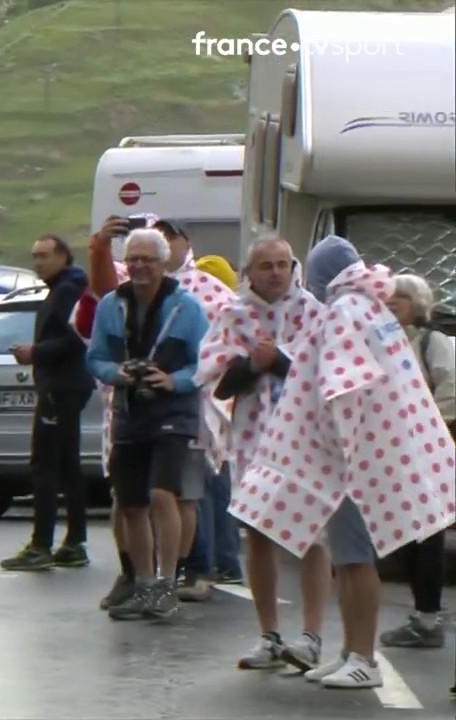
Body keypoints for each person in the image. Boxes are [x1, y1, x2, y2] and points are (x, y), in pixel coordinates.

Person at [236, 235, 454, 688]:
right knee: (349, 558)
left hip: (356, 458)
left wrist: (339, 448)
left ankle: (363, 658)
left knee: (355, 559)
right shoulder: (370, 308)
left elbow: (342, 384)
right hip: (377, 451)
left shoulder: (345, 312)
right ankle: (351, 650)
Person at [195, 237, 331, 672]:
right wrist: (250, 364)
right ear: (248, 272)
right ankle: (268, 635)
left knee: (313, 533)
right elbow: (215, 377)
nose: (275, 273)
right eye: (266, 266)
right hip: (255, 436)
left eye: (282, 265)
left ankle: (311, 636)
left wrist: (281, 360)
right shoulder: (232, 314)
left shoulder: (314, 311)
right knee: (258, 533)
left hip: (307, 437)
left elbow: (330, 369)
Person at [84, 229, 209, 621]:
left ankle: (167, 584)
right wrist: (116, 372)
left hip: (175, 412)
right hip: (130, 410)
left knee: (161, 495)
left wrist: (175, 380)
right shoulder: (111, 305)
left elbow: (207, 360)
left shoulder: (186, 307)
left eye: (148, 260)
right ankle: (141, 584)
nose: (139, 266)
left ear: (163, 262)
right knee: (132, 502)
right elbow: (95, 357)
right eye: (133, 259)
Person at [0, 235, 93, 571]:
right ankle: (75, 541)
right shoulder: (62, 288)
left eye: (45, 256)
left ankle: (41, 544)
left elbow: (75, 339)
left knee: (45, 463)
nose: (38, 262)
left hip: (63, 385)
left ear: (64, 257)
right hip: (61, 383)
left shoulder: (69, 290)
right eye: (34, 256)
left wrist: (36, 352)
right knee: (67, 463)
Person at [378, 273, 454, 649]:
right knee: (410, 534)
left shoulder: (432, 341)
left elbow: (450, 390)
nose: (393, 304)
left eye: (402, 298)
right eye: (389, 297)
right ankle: (423, 615)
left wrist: (424, 423)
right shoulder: (384, 341)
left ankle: (427, 619)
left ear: (419, 305)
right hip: (396, 452)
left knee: (427, 535)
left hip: (427, 451)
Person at [183, 254, 244, 591]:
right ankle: (228, 561)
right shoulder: (232, 311)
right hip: (226, 410)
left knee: (202, 487)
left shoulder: (203, 308)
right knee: (221, 486)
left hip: (204, 409)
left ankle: (208, 561)